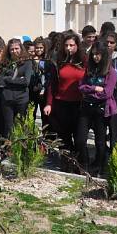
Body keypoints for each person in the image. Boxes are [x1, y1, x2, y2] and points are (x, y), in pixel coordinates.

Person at [44, 33, 86, 171]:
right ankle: (67, 164)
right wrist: (49, 103)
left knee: (79, 139)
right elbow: (52, 84)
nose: (69, 48)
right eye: (66, 45)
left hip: (80, 104)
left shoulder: (84, 61)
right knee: (64, 138)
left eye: (72, 45)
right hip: (61, 104)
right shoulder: (58, 61)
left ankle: (81, 165)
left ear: (77, 46)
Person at [77, 41, 117, 173]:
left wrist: (90, 93)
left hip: (101, 110)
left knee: (100, 141)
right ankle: (84, 162)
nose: (95, 57)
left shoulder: (110, 71)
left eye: (98, 54)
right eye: (94, 54)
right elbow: (81, 87)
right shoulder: (89, 69)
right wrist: (94, 88)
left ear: (104, 55)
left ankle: (99, 164)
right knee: (80, 138)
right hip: (86, 108)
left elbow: (107, 93)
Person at [0, 38, 33, 139]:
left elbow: (26, 82)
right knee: (8, 126)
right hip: (7, 99)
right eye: (12, 49)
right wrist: (17, 79)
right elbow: (0, 80)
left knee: (20, 125)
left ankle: (20, 151)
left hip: (21, 99)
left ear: (21, 49)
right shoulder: (5, 63)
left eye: (16, 48)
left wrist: (8, 79)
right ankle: (8, 150)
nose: (14, 51)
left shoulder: (27, 63)